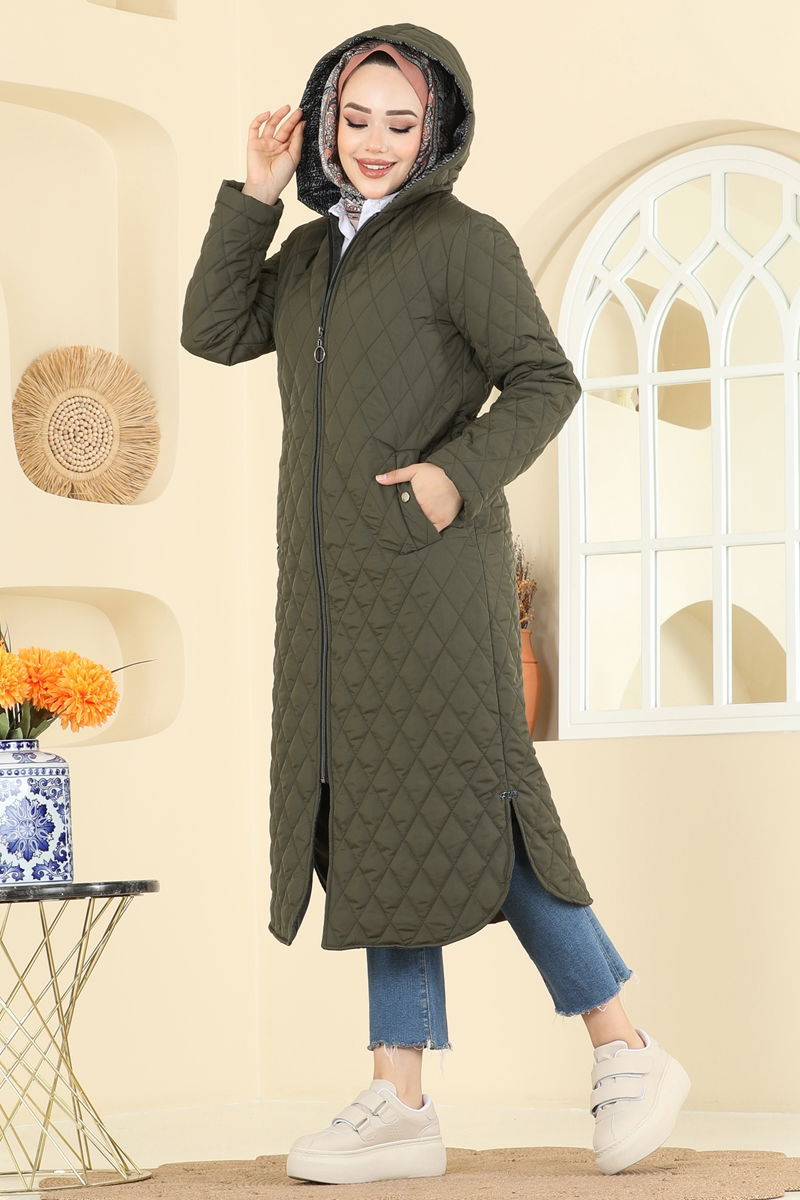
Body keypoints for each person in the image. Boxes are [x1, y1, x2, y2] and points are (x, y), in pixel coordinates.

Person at [180, 21, 691, 1188]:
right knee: (378, 816)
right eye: (352, 118)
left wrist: (452, 478)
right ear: (323, 121)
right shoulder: (305, 256)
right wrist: (255, 194)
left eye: (398, 122)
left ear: (437, 129)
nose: (373, 142)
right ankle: (399, 1099)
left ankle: (623, 1047)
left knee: (481, 805)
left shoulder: (463, 242)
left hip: (434, 575)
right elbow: (211, 331)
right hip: (331, 594)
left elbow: (546, 380)